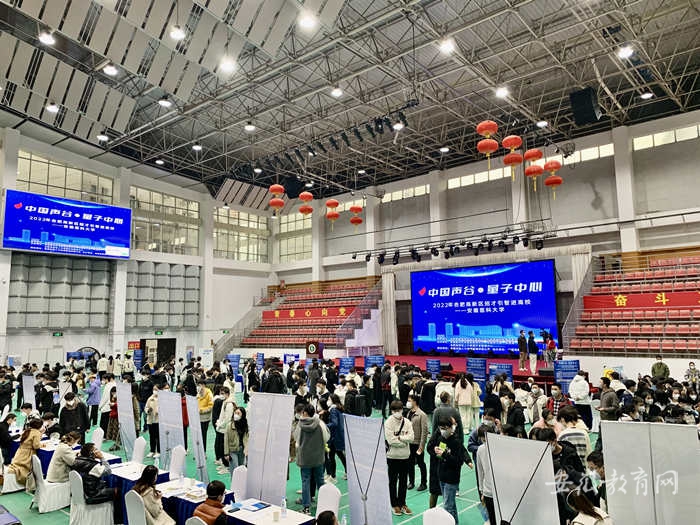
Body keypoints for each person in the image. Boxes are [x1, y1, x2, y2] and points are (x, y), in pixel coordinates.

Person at [427, 416, 468, 524]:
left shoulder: (456, 442)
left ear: (450, 428)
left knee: (447, 507)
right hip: (442, 476)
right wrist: (436, 451)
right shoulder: (440, 439)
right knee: (451, 505)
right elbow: (439, 456)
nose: (442, 430)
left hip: (452, 478)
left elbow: (458, 462)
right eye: (441, 428)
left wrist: (445, 454)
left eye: (445, 428)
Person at [294, 403, 328, 514]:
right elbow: (326, 437)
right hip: (318, 457)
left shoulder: (300, 425)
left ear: (304, 413)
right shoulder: (320, 423)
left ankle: (306, 508)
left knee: (305, 481)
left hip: (305, 458)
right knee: (320, 481)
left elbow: (296, 439)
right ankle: (325, 503)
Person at [385, 400, 415, 516]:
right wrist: (404, 442)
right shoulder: (388, 423)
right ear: (392, 411)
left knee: (403, 481)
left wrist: (400, 438)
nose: (398, 412)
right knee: (392, 481)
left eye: (399, 410)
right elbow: (391, 441)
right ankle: (394, 504)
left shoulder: (407, 422)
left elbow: (411, 437)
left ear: (402, 410)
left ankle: (402, 504)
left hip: (405, 456)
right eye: (395, 410)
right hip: (392, 457)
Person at [71, 442, 117, 515]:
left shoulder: (76, 460)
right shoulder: (92, 465)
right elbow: (108, 471)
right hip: (92, 494)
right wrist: (102, 458)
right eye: (95, 449)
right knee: (117, 491)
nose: (98, 450)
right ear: (91, 453)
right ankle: (117, 518)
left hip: (82, 491)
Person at [6, 418, 43, 484]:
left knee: (17, 465)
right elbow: (36, 446)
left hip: (20, 452)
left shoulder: (27, 430)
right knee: (24, 468)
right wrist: (42, 445)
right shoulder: (36, 432)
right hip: (27, 454)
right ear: (39, 426)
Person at [476, 424, 497, 525]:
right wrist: (482, 492)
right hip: (488, 492)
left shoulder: (498, 449)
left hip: (499, 492)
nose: (484, 439)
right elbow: (480, 471)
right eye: (482, 437)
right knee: (492, 519)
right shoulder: (480, 450)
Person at [406, 394, 428, 491]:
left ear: (415, 402)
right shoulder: (408, 413)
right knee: (410, 463)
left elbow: (424, 431)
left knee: (420, 463)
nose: (408, 402)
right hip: (409, 442)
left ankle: (423, 483)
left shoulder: (422, 415)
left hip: (418, 443)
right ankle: (411, 482)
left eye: (409, 400)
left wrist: (422, 445)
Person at [325, 394, 346, 483]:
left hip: (334, 437)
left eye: (329, 399)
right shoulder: (339, 408)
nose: (328, 401)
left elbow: (334, 423)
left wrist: (325, 425)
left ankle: (333, 477)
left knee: (331, 456)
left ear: (333, 400)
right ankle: (348, 472)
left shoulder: (333, 410)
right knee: (340, 454)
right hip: (339, 435)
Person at [224, 407, 248, 471]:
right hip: (233, 450)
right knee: (234, 469)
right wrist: (226, 453)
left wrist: (246, 449)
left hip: (242, 450)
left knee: (242, 468)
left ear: (242, 415)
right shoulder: (229, 426)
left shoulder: (246, 425)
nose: (236, 415)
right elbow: (226, 440)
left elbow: (247, 439)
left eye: (238, 413)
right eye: (235, 413)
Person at [197, 380, 214, 450]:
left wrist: (201, 410)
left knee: (203, 435)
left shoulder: (209, 394)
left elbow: (210, 407)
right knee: (199, 435)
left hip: (205, 418)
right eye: (198, 385)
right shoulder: (198, 393)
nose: (198, 387)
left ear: (203, 385)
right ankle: (200, 450)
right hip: (198, 417)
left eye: (199, 385)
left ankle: (203, 451)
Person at [145, 385, 161, 457]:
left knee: (158, 436)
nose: (155, 391)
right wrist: (148, 410)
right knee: (152, 436)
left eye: (156, 389)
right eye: (154, 389)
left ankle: (159, 451)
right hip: (151, 420)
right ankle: (152, 451)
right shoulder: (150, 398)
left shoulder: (161, 399)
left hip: (158, 420)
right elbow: (146, 407)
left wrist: (158, 411)